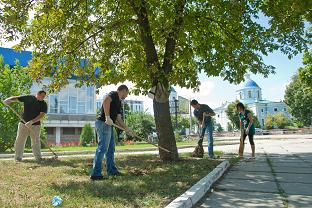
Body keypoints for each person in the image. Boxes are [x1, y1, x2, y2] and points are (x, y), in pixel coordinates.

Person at [90, 85, 133, 180]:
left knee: (110, 149)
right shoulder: (114, 94)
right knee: (102, 148)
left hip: (109, 125)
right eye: (126, 94)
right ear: (123, 90)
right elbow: (106, 101)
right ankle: (95, 174)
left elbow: (118, 119)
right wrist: (107, 117)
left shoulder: (119, 103)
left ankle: (111, 170)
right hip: (103, 123)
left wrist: (127, 129)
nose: (126, 96)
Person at [3, 90, 48, 162]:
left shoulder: (43, 104)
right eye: (42, 96)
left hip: (35, 125)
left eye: (44, 96)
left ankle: (38, 158)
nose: (43, 97)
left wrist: (32, 122)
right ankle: (18, 158)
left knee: (36, 141)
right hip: (23, 124)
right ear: (38, 94)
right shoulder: (29, 98)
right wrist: (8, 100)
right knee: (20, 140)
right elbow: (17, 98)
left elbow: (41, 115)